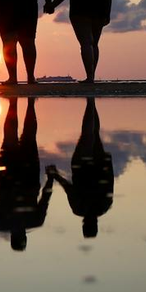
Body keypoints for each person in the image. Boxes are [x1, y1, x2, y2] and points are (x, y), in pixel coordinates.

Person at [0, 97, 53, 252]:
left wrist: (51, 178)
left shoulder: (36, 221)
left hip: (28, 177)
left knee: (29, 135)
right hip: (8, 179)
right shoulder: (1, 224)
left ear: (24, 238)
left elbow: (46, 197)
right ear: (12, 239)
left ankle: (29, 103)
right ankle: (13, 103)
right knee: (10, 137)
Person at [46, 98, 114, 239]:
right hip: (82, 165)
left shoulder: (104, 206)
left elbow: (109, 182)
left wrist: (108, 163)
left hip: (97, 164)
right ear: (84, 225)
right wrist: (55, 175)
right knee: (89, 133)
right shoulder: (80, 208)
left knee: (93, 133)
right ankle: (90, 101)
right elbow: (69, 189)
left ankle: (92, 101)